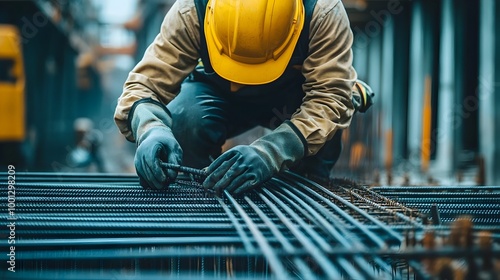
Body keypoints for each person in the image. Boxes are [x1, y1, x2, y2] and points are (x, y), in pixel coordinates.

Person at [114, 0, 374, 195]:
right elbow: (144, 85)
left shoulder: (322, 11)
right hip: (220, 93)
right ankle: (198, 205)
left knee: (324, 132)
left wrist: (271, 153)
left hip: (293, 102)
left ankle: (305, 204)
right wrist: (150, 128)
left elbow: (330, 98)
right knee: (185, 117)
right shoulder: (193, 9)